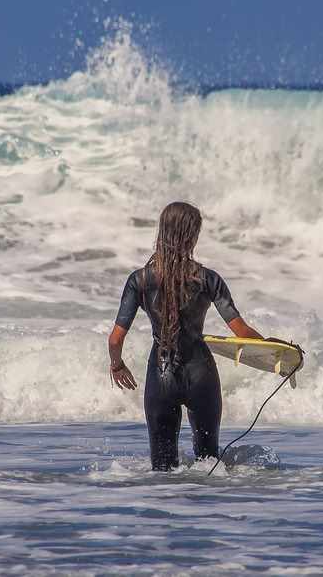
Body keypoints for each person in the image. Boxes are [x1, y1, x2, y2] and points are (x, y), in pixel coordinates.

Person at [107, 201, 267, 471]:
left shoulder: (139, 280)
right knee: (209, 465)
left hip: (161, 375)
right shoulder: (208, 279)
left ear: (162, 233)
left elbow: (115, 339)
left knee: (162, 469)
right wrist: (273, 349)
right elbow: (241, 331)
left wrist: (117, 364)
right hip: (202, 375)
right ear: (192, 236)